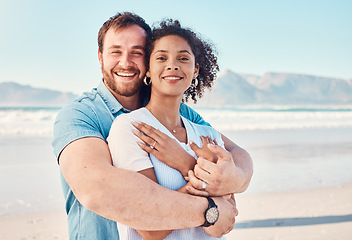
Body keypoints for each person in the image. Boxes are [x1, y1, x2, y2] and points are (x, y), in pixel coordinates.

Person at [52, 12, 253, 239]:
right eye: (115, 51)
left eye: (136, 52)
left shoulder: (182, 114)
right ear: (100, 57)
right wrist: (210, 210)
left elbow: (236, 154)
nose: (125, 62)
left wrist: (233, 178)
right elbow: (97, 190)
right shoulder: (80, 114)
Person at [107, 19, 235, 240]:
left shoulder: (210, 136)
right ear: (148, 69)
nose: (173, 65)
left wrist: (185, 164)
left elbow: (224, 223)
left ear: (195, 70)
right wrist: (203, 182)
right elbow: (150, 229)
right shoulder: (130, 129)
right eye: (161, 58)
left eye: (183, 58)